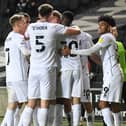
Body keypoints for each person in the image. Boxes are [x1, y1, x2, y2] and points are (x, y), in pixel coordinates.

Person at [18, 3, 80, 126]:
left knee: (31, 102)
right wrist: (77, 28)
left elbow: (25, 37)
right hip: (48, 69)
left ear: (39, 13)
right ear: (50, 14)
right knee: (45, 102)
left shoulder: (31, 27)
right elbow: (76, 31)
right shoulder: (54, 27)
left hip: (34, 68)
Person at [62, 15, 124, 126]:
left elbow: (91, 51)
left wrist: (72, 51)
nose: (99, 27)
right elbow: (97, 56)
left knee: (102, 104)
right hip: (114, 74)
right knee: (114, 104)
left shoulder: (106, 37)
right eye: (99, 24)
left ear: (109, 27)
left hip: (112, 75)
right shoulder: (110, 37)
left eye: (102, 25)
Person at [1, 14, 30, 126]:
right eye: (24, 22)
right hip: (19, 75)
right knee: (31, 103)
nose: (26, 25)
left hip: (10, 76)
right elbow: (26, 52)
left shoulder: (9, 36)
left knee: (12, 104)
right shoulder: (18, 37)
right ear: (18, 24)